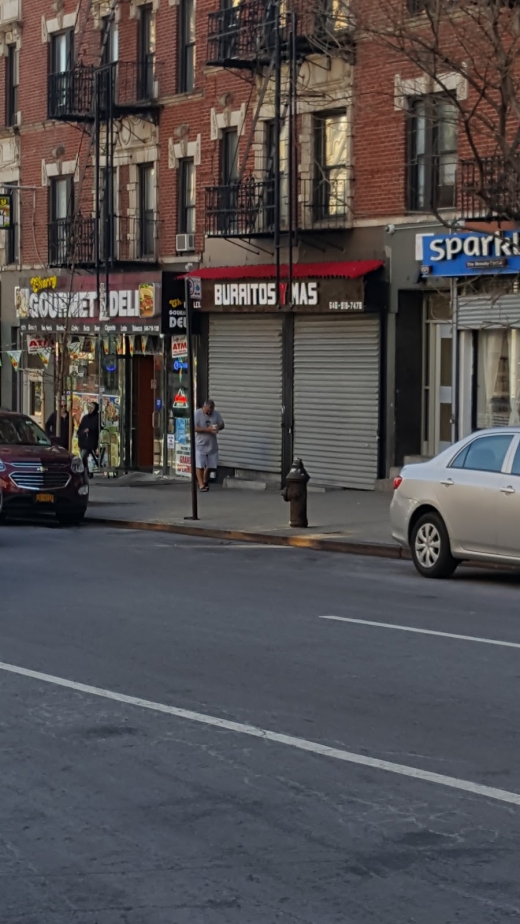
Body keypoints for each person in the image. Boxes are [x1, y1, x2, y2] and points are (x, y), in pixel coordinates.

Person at [194, 398, 225, 491]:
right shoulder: (197, 414)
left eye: (210, 412)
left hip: (212, 444)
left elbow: (222, 424)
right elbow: (194, 428)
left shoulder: (216, 414)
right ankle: (201, 484)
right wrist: (207, 430)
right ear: (203, 407)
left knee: (210, 464)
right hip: (200, 444)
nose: (208, 414)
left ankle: (205, 480)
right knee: (200, 464)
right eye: (207, 411)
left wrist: (218, 427)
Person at [77, 401, 100, 477]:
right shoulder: (85, 417)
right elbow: (80, 428)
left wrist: (89, 429)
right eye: (89, 407)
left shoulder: (97, 417)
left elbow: (97, 428)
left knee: (84, 456)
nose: (90, 409)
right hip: (83, 440)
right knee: (84, 458)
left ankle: (86, 471)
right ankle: (88, 471)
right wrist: (80, 433)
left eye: (92, 408)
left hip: (91, 441)